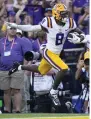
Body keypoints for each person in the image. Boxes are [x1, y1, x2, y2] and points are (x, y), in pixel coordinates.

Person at [7, 3, 86, 106]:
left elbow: (80, 32)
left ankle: (19, 66)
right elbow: (32, 28)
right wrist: (17, 26)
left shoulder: (69, 23)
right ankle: (53, 91)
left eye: (66, 14)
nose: (65, 16)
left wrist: (80, 38)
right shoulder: (49, 22)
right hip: (48, 51)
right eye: (62, 14)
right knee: (64, 68)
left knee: (40, 70)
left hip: (56, 53)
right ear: (56, 14)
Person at [0, 26, 32, 113]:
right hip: (3, 69)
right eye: (11, 28)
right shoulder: (1, 41)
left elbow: (27, 55)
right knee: (6, 91)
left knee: (17, 90)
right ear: (7, 29)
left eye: (15, 29)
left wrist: (25, 68)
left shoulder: (21, 41)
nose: (13, 30)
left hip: (17, 69)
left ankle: (17, 110)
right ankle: (7, 110)